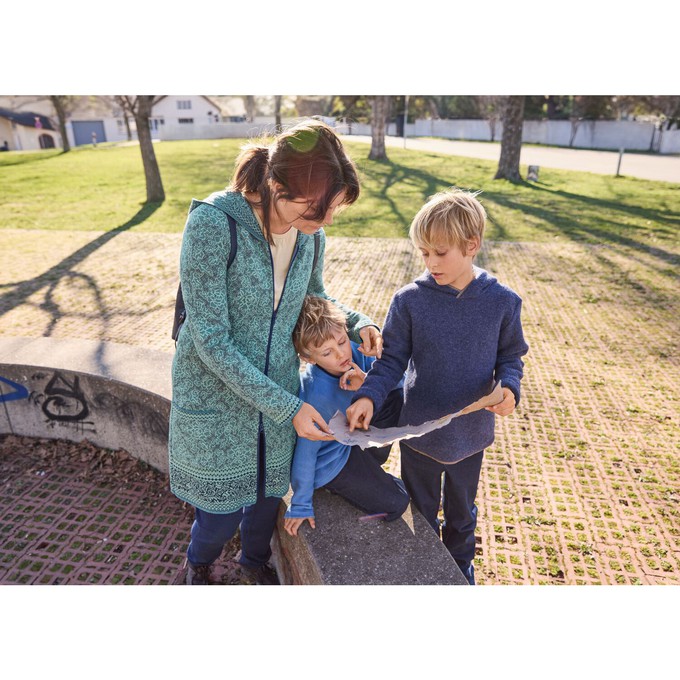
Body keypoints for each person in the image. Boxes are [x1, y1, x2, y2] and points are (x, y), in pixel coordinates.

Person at [169, 119, 384, 585]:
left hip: (279, 397)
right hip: (219, 399)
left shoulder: (309, 233)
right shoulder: (212, 223)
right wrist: (288, 407)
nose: (326, 221)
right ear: (278, 185)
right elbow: (209, 338)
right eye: (320, 207)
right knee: (220, 514)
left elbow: (315, 295)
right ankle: (198, 564)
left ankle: (253, 562)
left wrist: (357, 322)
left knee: (267, 500)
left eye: (332, 212)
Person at [346, 188, 529, 585]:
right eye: (424, 253)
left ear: (471, 245)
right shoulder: (409, 300)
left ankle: (461, 575)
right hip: (419, 437)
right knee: (422, 513)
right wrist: (368, 397)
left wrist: (510, 389)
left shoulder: (503, 302)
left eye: (440, 253)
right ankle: (423, 574)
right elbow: (391, 361)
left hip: (471, 436)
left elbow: (511, 357)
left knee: (463, 516)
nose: (430, 263)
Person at [283, 295, 409, 537]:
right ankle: (342, 486)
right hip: (331, 461)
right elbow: (305, 455)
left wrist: (368, 386)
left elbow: (398, 385)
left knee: (393, 408)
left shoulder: (356, 350)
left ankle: (370, 475)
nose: (341, 355)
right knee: (397, 503)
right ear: (309, 358)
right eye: (327, 353)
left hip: (354, 439)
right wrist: (300, 504)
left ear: (344, 330)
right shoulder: (315, 397)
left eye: (341, 341)